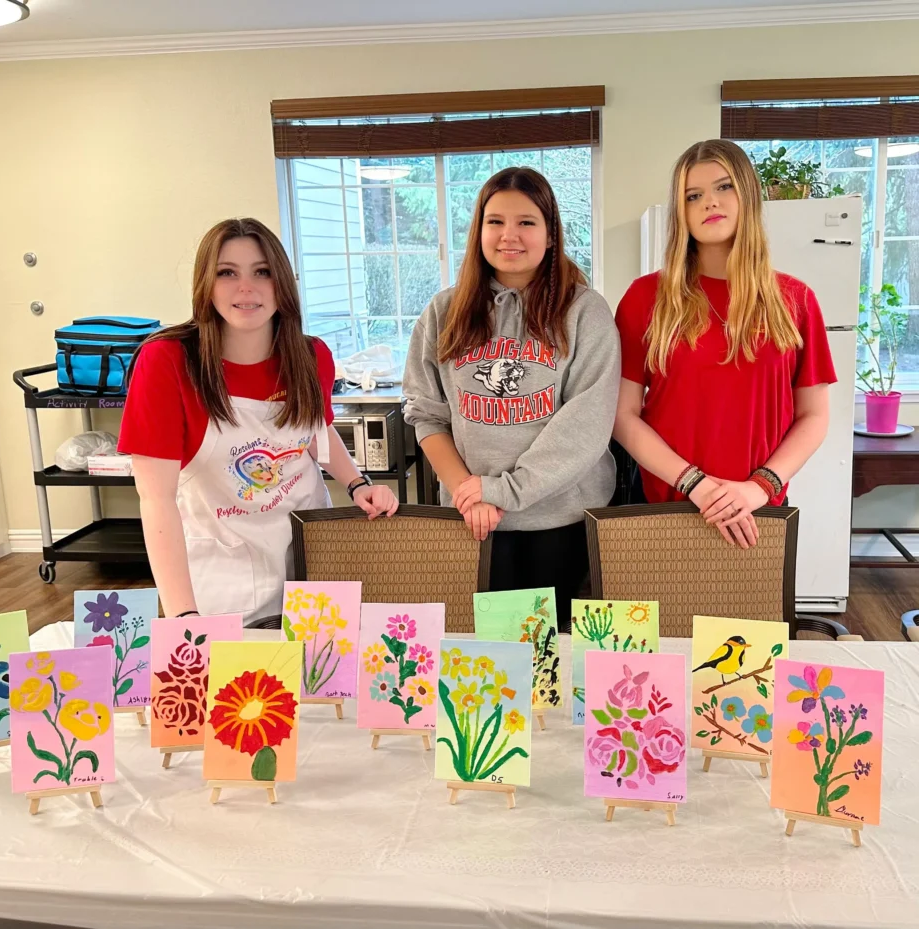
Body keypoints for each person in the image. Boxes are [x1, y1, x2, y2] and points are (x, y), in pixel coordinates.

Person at [119, 218, 398, 621]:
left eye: (262, 272)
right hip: (224, 574)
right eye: (227, 273)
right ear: (205, 284)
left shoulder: (311, 355)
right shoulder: (168, 362)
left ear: (281, 283)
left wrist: (356, 484)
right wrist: (183, 616)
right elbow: (156, 500)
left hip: (311, 555)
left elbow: (315, 431)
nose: (246, 288)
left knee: (321, 676)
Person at [403, 167, 620, 630]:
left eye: (526, 222)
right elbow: (427, 414)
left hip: (559, 521)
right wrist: (470, 493)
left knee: (546, 662)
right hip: (473, 520)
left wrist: (502, 490)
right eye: (495, 221)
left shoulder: (585, 311)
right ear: (479, 229)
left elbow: (586, 423)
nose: (509, 235)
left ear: (550, 232)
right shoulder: (444, 311)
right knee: (483, 656)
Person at [613, 139, 835, 549]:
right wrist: (695, 483)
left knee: (749, 616)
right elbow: (623, 415)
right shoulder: (645, 298)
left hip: (758, 511)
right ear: (681, 212)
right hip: (668, 505)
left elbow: (815, 416)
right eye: (693, 195)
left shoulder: (795, 300)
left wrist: (757, 488)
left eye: (724, 187)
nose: (709, 203)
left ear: (748, 194)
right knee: (664, 616)